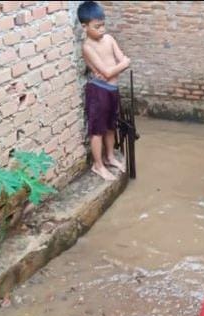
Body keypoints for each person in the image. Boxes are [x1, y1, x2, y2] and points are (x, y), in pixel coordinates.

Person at [78, 1, 129, 181]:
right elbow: (109, 71)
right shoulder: (87, 47)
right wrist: (122, 64)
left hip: (112, 89)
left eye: (103, 25)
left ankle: (110, 157)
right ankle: (97, 165)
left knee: (110, 126)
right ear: (84, 26)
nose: (101, 29)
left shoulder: (109, 39)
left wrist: (121, 64)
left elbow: (121, 60)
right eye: (96, 26)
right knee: (97, 130)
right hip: (98, 91)